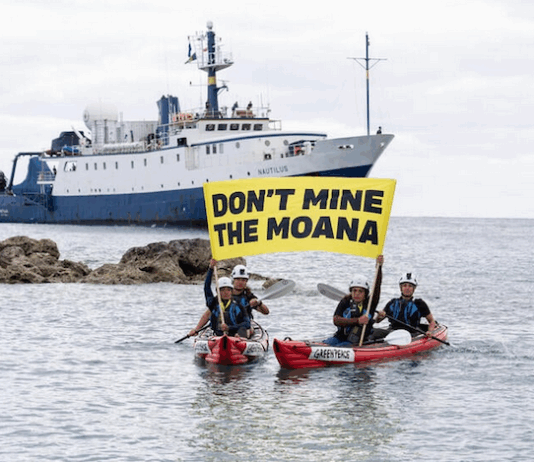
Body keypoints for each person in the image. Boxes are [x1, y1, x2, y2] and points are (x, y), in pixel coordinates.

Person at [323, 255, 383, 346]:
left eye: (360, 291)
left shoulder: (370, 303)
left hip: (358, 342)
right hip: (339, 337)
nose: (357, 293)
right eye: (354, 290)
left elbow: (377, 286)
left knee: (341, 346)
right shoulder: (345, 301)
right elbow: (336, 320)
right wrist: (357, 321)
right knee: (327, 344)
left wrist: (379, 267)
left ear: (365, 293)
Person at [188, 261, 251, 338]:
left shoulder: (238, 305)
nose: (225, 292)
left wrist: (229, 328)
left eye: (228, 290)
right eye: (222, 290)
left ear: (231, 291)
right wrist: (211, 268)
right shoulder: (213, 303)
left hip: (234, 335)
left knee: (242, 331)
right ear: (217, 291)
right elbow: (207, 287)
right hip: (217, 336)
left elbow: (247, 324)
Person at [370, 272, 436, 340]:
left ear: (414, 288)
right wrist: (379, 315)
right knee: (373, 332)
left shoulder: (419, 303)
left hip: (411, 334)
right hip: (392, 332)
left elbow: (432, 321)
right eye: (404, 286)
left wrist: (430, 331)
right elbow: (377, 321)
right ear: (401, 288)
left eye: (410, 286)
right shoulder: (392, 303)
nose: (407, 288)